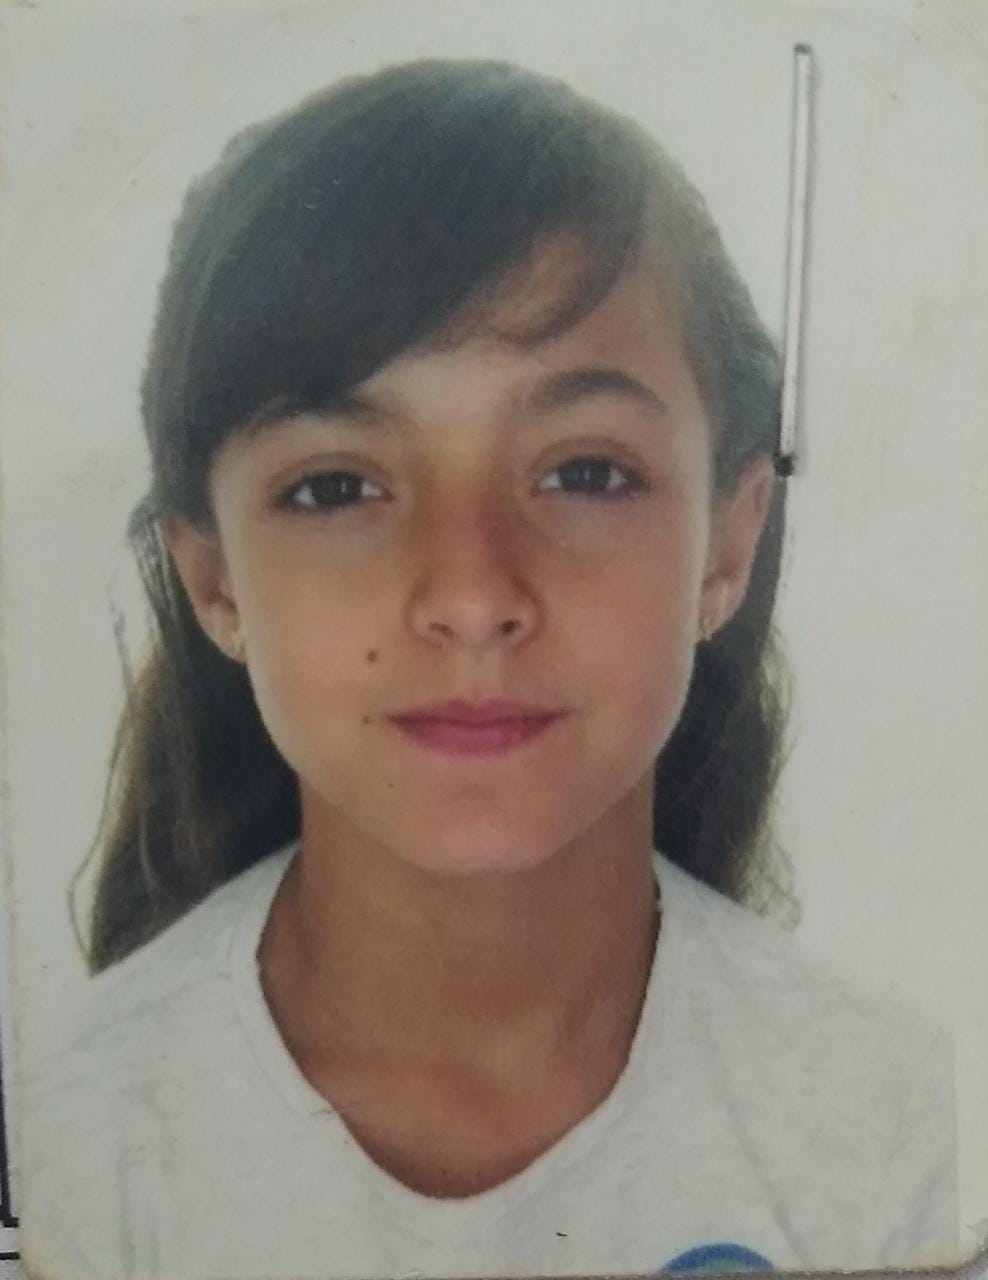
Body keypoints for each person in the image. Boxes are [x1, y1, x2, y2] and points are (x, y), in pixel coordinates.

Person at [20, 59, 955, 1280]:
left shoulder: (900, 1120)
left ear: (726, 546)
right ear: (216, 582)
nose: (469, 595)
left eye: (585, 471)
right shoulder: (69, 1146)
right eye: (335, 486)